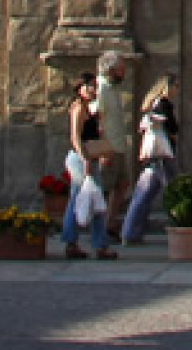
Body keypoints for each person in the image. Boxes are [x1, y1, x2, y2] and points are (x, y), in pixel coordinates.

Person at [119, 72, 181, 245]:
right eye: (175, 86)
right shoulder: (164, 104)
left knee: (144, 193)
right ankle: (184, 229)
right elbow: (172, 127)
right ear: (166, 87)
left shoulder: (153, 104)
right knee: (175, 193)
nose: (177, 90)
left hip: (154, 155)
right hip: (162, 154)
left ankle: (130, 233)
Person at [61, 70, 114, 259]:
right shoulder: (77, 108)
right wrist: (85, 160)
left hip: (89, 158)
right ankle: (80, 243)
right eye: (91, 86)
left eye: (95, 86)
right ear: (81, 88)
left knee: (94, 200)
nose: (94, 90)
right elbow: (75, 136)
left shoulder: (90, 108)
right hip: (80, 159)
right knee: (82, 199)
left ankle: (91, 244)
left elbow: (96, 134)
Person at [94, 50, 133, 216]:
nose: (123, 73)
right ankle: (101, 226)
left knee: (123, 183)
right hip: (109, 147)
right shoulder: (101, 89)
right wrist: (102, 151)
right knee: (106, 188)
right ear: (110, 70)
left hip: (119, 145)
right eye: (121, 69)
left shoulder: (113, 89)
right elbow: (97, 121)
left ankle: (110, 222)